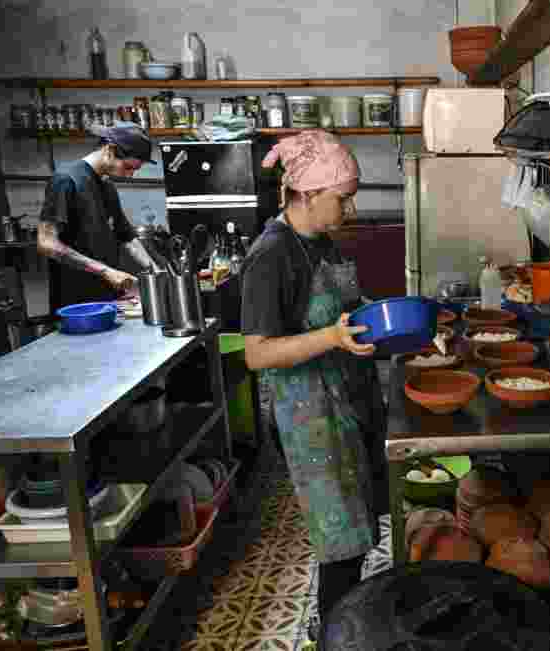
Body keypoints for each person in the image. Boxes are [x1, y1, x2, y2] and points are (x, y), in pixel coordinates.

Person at [241, 131, 387, 645]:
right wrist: (332, 336)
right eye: (341, 198)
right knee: (341, 542)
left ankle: (344, 623)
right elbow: (256, 352)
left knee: (357, 530)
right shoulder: (271, 254)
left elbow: (343, 310)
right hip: (308, 418)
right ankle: (334, 634)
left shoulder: (319, 241)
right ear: (305, 194)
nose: (349, 208)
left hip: (344, 399)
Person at [37, 123, 155, 313]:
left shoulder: (107, 186)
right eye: (128, 167)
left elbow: (126, 236)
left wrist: (155, 270)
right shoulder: (66, 180)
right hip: (76, 305)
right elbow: (46, 243)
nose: (131, 174)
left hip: (108, 300)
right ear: (109, 150)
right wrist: (105, 271)